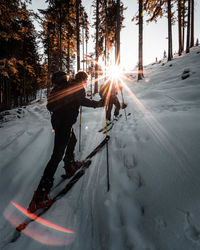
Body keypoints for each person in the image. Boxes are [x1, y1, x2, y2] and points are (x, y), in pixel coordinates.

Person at [28, 71, 104, 212]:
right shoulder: (76, 87)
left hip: (59, 123)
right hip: (64, 124)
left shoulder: (64, 87)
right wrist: (99, 104)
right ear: (83, 79)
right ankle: (39, 197)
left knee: (73, 140)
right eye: (86, 80)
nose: (86, 82)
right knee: (56, 156)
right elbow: (83, 101)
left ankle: (69, 166)